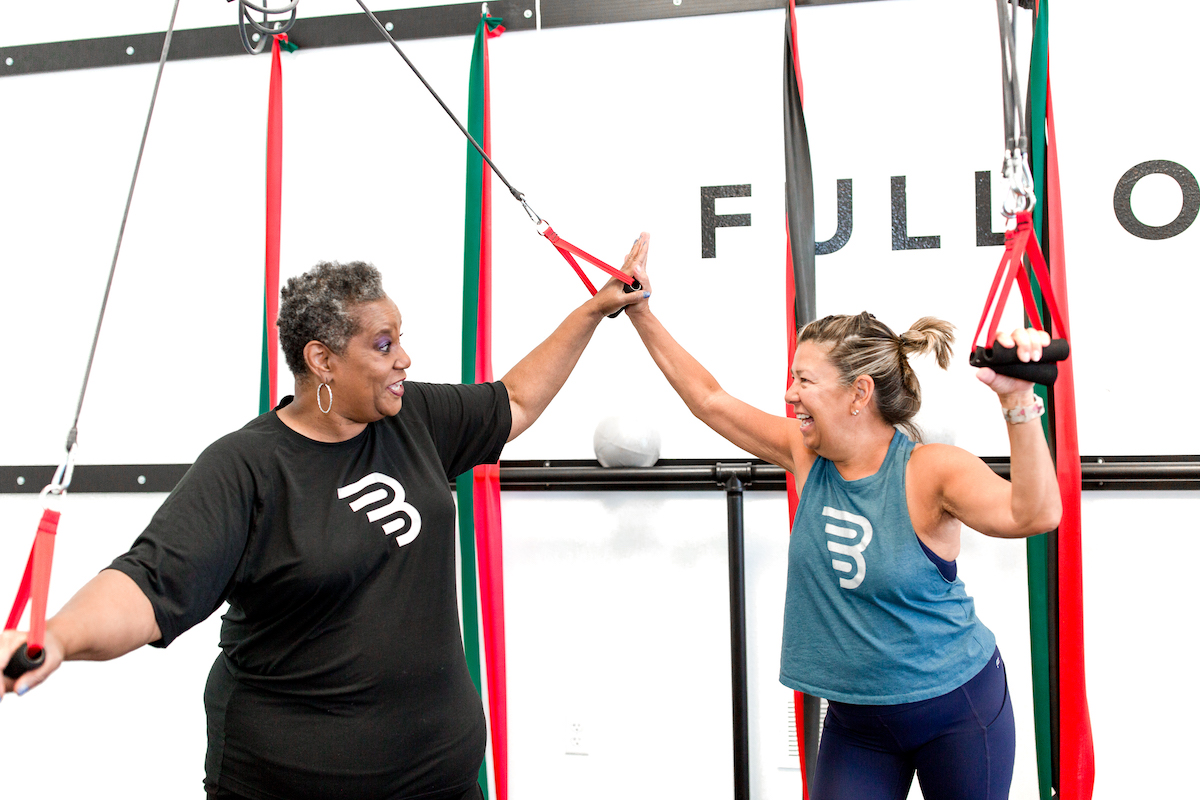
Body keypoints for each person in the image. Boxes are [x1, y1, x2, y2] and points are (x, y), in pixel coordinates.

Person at [0, 237, 650, 800]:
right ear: (322, 360)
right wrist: (56, 636)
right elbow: (148, 585)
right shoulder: (248, 467)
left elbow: (515, 399)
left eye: (401, 339)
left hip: (441, 780)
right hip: (287, 780)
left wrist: (593, 310)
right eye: (384, 344)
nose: (406, 360)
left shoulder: (413, 419)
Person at [622, 235, 1061, 800]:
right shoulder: (806, 455)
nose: (789, 394)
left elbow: (1037, 514)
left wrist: (1017, 400)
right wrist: (640, 312)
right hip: (858, 722)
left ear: (859, 392)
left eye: (805, 380)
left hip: (956, 709)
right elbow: (708, 398)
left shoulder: (930, 471)